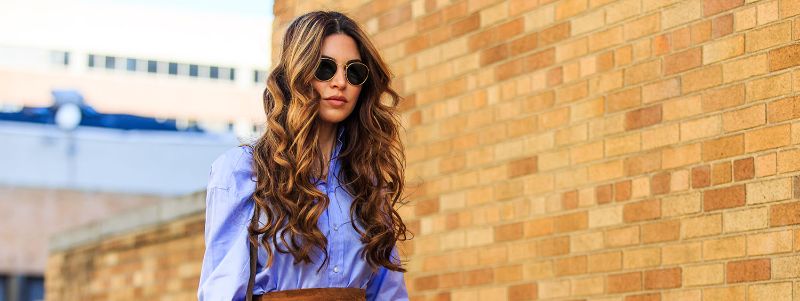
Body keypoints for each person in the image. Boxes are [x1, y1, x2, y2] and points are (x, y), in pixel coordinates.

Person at [197, 10, 411, 301]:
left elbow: (389, 293)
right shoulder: (243, 170)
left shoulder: (367, 180)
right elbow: (221, 293)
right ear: (297, 74)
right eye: (325, 68)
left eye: (354, 71)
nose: (340, 82)